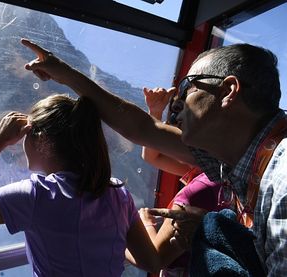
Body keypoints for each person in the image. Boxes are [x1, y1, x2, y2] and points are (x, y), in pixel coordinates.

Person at [21, 39, 287, 276]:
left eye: (188, 87)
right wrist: (64, 73)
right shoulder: (237, 154)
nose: (177, 102)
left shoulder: (282, 180)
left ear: (228, 91)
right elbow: (142, 128)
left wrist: (206, 233)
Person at [0, 94, 162, 276]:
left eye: (25, 135)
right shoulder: (117, 192)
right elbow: (151, 263)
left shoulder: (35, 196)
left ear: (41, 139)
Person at [128, 87, 227, 276]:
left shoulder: (198, 191)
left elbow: (154, 260)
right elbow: (152, 157)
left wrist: (142, 223)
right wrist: (155, 113)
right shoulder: (212, 173)